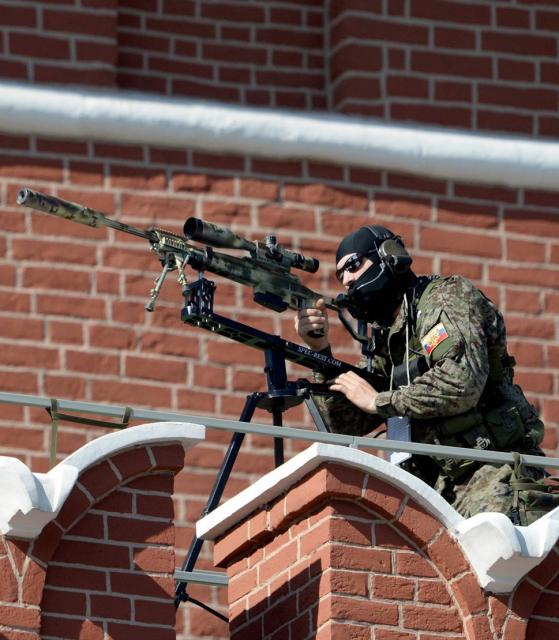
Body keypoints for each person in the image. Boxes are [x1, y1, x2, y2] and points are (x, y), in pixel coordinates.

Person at [295, 225, 555, 525]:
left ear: (388, 255)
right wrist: (320, 352)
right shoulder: (390, 340)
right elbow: (341, 426)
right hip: (437, 494)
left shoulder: (444, 298)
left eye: (353, 265)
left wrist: (381, 401)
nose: (348, 280)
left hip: (495, 476)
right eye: (341, 276)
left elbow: (461, 383)